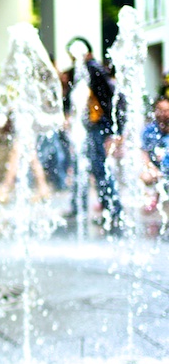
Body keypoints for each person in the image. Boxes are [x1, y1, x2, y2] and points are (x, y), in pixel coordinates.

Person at [64, 36, 123, 227]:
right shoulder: (83, 70)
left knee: (98, 167)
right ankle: (81, 206)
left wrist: (114, 129)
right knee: (83, 166)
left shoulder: (93, 69)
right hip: (88, 127)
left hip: (97, 126)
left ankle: (112, 209)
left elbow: (108, 99)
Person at [141, 95, 169, 212]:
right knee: (146, 177)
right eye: (160, 110)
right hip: (157, 169)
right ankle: (153, 199)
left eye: (166, 110)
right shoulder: (150, 131)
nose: (163, 114)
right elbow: (143, 152)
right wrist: (150, 167)